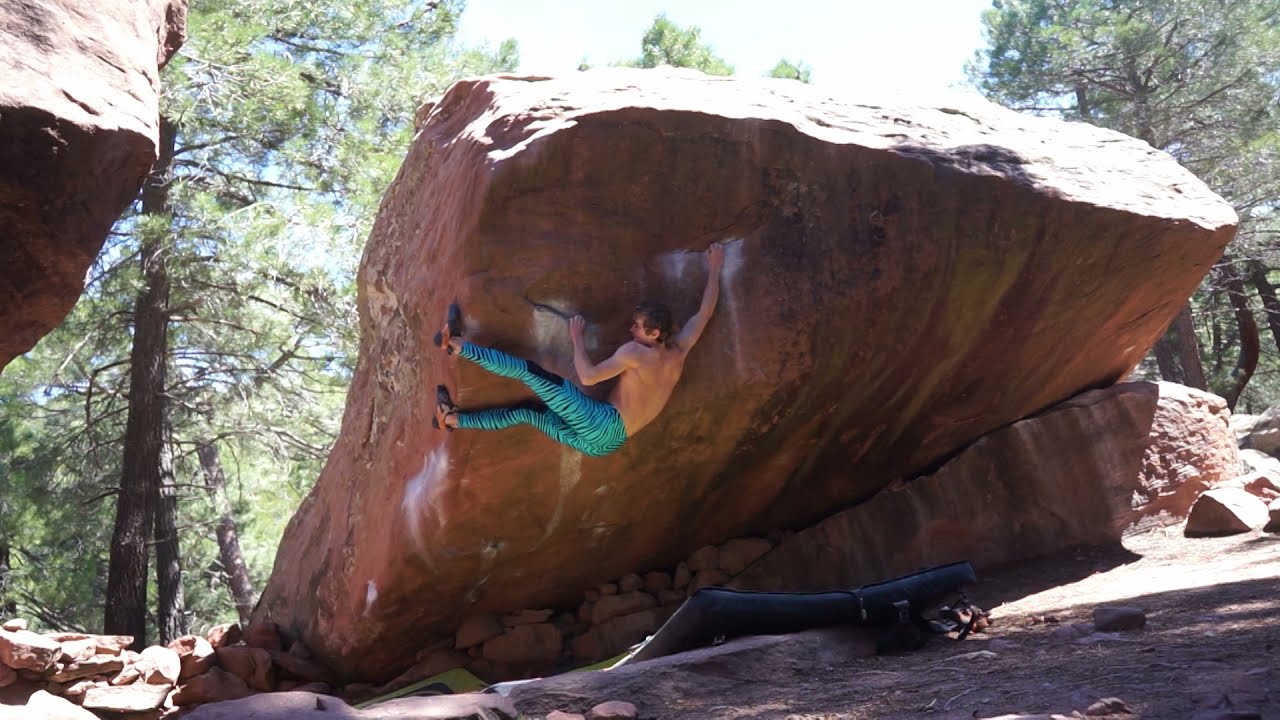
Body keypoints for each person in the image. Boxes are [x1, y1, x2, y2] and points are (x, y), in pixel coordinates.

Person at [433, 242, 726, 456]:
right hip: (605, 445)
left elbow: (588, 377)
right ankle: (452, 420)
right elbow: (705, 313)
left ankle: (456, 346)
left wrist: (576, 338)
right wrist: (715, 268)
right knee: (527, 413)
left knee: (530, 372)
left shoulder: (636, 353)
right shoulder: (679, 351)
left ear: (655, 333)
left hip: (601, 422)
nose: (631, 330)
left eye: (637, 326)